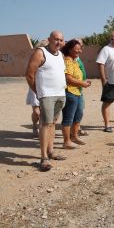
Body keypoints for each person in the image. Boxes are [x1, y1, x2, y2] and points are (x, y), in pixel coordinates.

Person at [25, 31, 67, 171]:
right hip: (47, 95)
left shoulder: (60, 54)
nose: (58, 42)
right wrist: (38, 92)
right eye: (56, 39)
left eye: (61, 40)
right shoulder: (40, 52)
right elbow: (29, 74)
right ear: (49, 39)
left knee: (53, 123)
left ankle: (51, 151)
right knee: (45, 124)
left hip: (60, 94)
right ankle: (44, 158)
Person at [60, 39, 91, 149]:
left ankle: (74, 136)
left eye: (80, 48)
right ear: (69, 49)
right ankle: (66, 141)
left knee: (78, 115)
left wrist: (83, 83)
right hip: (70, 92)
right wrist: (82, 83)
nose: (79, 51)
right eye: (77, 49)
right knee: (68, 118)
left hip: (77, 92)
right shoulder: (68, 61)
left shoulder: (74, 60)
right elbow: (68, 78)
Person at [73, 38, 89, 137]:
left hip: (79, 89)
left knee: (79, 111)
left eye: (80, 46)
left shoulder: (78, 58)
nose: (79, 48)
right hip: (72, 89)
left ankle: (76, 130)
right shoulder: (70, 58)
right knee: (74, 111)